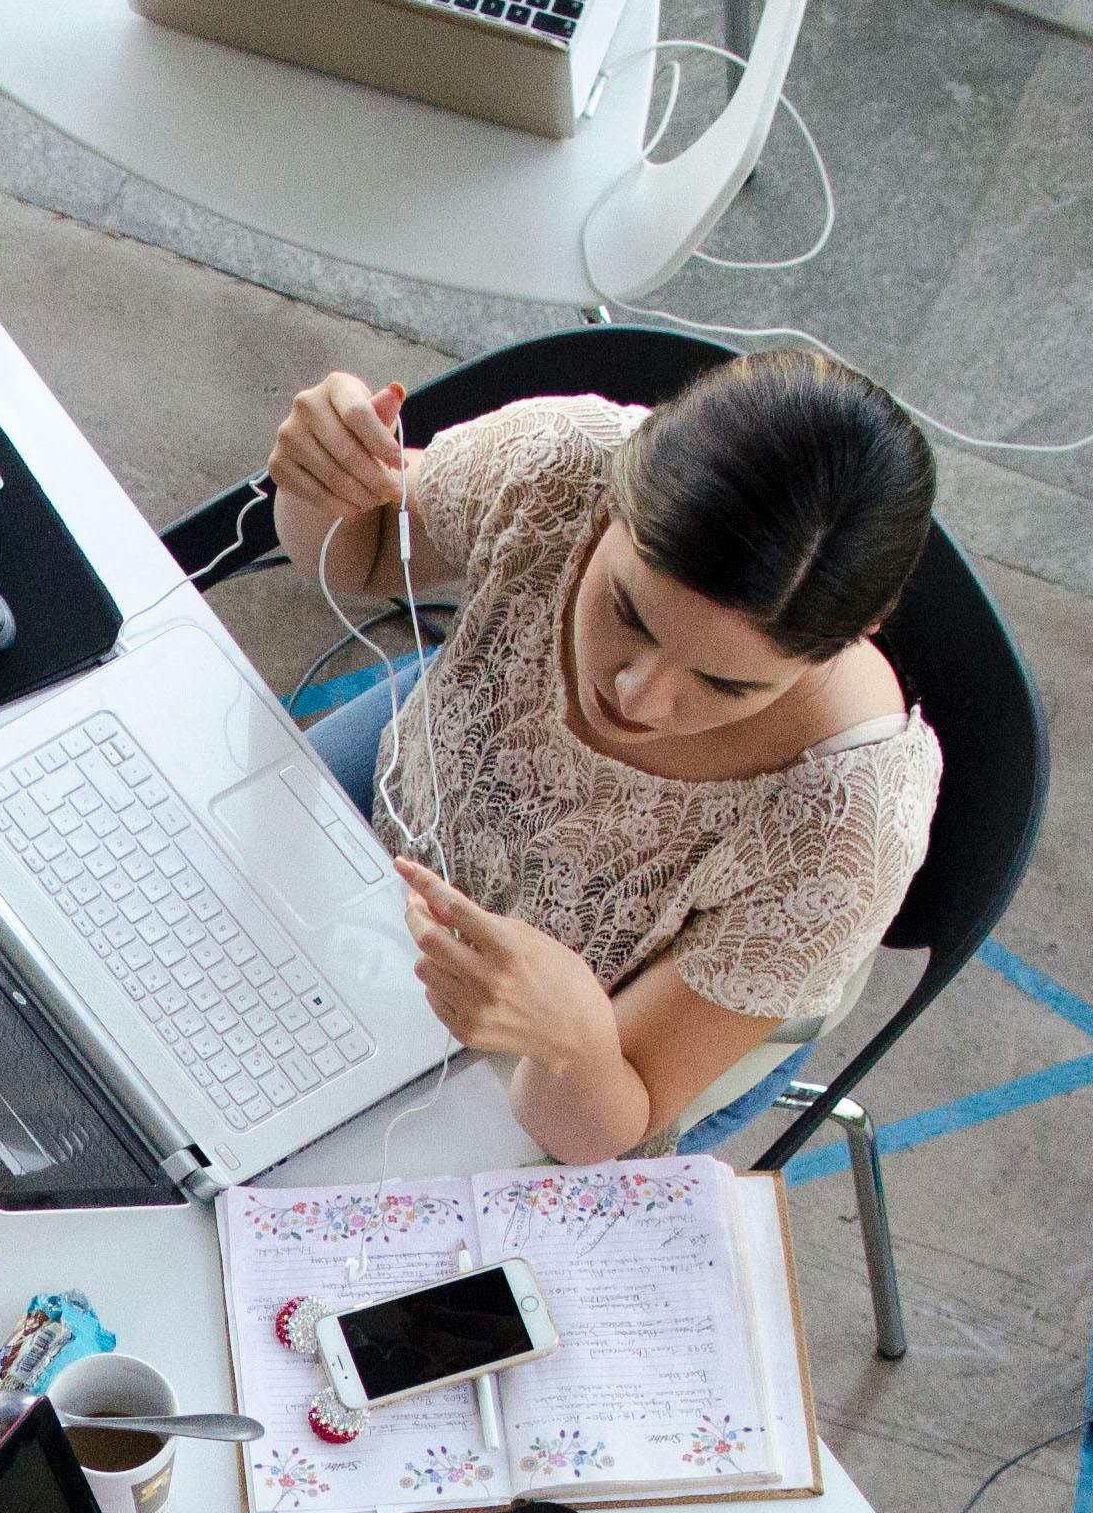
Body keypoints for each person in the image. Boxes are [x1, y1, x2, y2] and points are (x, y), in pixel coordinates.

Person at [263, 349, 942, 1164]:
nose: (636, 696)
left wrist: (569, 1040)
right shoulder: (557, 468)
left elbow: (605, 1128)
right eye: (629, 612)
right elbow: (361, 556)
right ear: (611, 497)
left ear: (841, 647)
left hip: (589, 1054)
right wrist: (320, 482)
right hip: (400, 801)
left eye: (724, 685)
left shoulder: (846, 828)